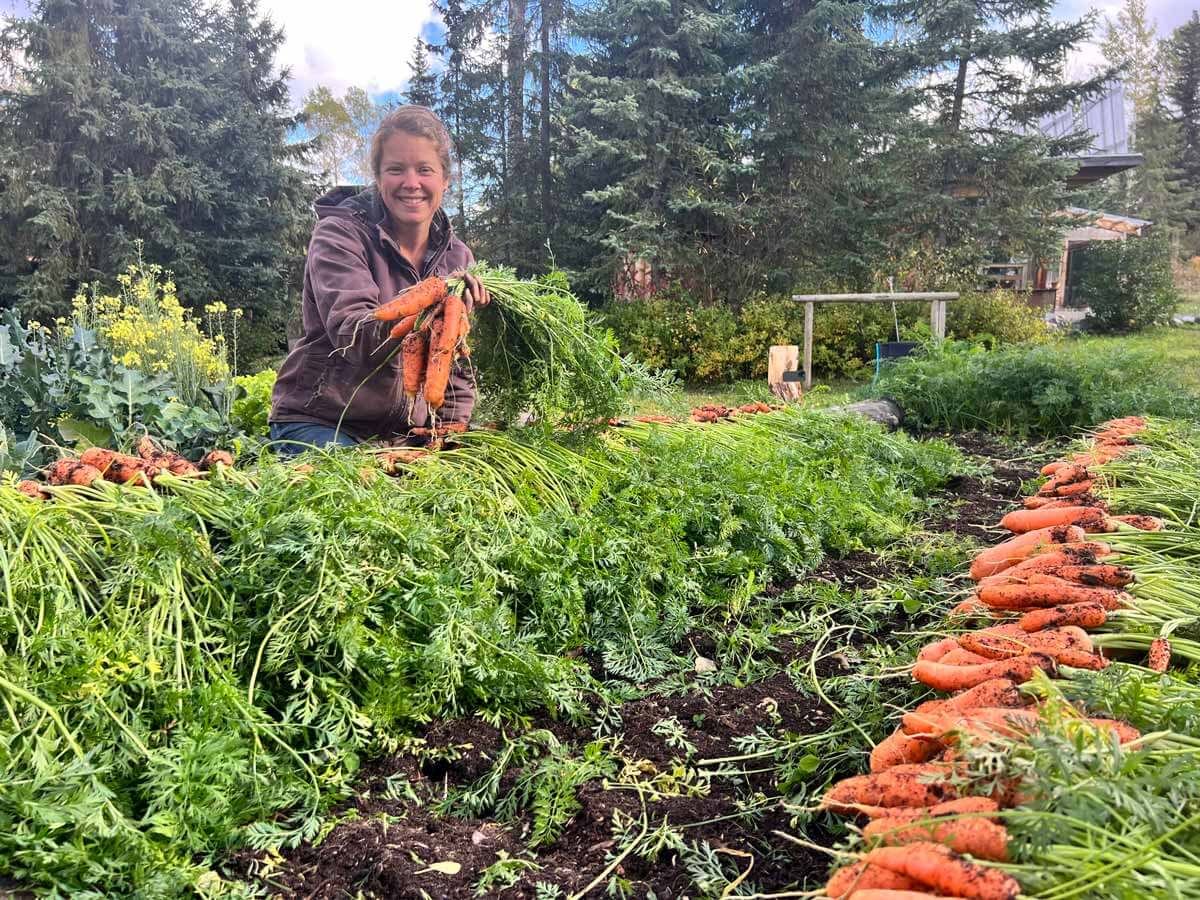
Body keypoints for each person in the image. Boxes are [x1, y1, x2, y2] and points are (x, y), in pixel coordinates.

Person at [269, 105, 489, 454]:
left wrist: (450, 432)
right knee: (363, 496)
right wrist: (429, 307)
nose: (411, 183)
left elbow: (455, 361)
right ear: (378, 177)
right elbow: (352, 335)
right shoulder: (339, 236)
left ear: (444, 180)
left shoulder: (457, 259)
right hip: (323, 420)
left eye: (425, 170)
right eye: (396, 169)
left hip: (400, 433)